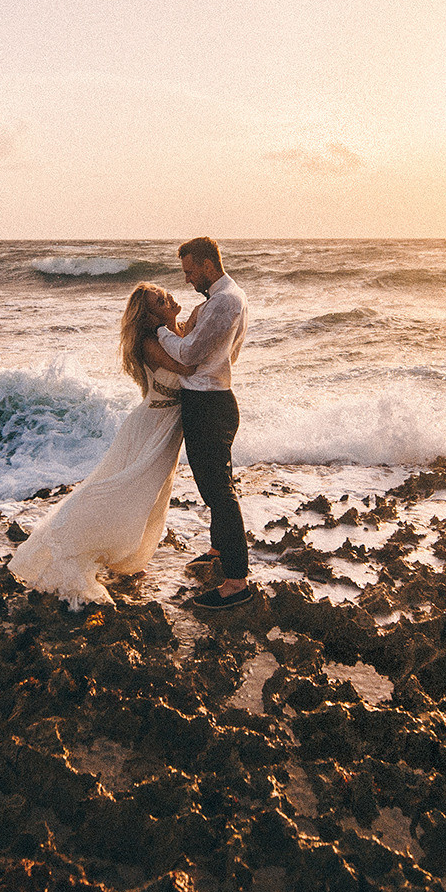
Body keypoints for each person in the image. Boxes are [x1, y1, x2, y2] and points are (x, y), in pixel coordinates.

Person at [9, 283, 190, 608]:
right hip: (151, 426)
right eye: (160, 301)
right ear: (149, 317)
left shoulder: (177, 332)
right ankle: (68, 540)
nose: (169, 299)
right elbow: (187, 367)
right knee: (124, 488)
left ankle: (127, 558)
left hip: (166, 427)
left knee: (152, 494)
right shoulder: (151, 343)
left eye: (164, 294)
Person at [157, 236, 253, 611]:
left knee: (219, 492)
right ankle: (218, 551)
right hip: (212, 400)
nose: (187, 279)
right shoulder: (222, 298)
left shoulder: (224, 301)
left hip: (209, 403)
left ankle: (236, 583)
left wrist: (161, 331)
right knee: (216, 485)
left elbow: (190, 354)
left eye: (190, 271)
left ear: (208, 265)